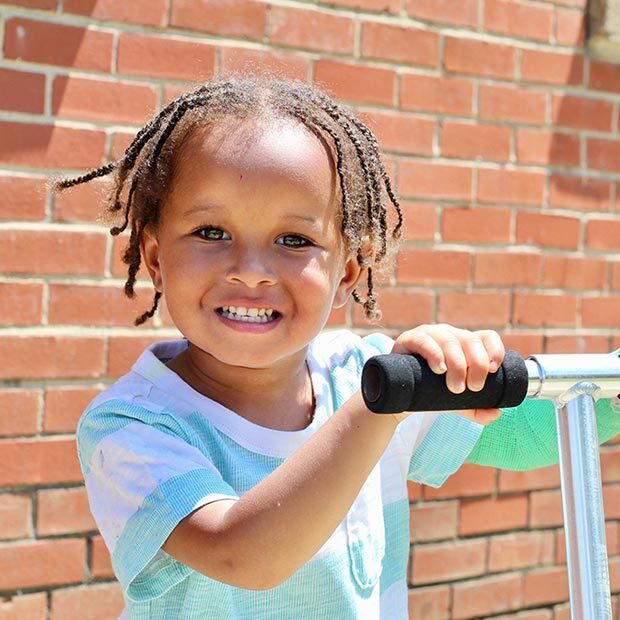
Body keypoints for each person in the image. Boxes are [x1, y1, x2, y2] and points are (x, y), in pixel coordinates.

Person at [52, 74, 620, 620]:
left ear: (347, 271)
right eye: (211, 233)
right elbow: (241, 554)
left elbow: (524, 438)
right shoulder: (131, 425)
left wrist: (598, 393)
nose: (251, 272)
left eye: (294, 240)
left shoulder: (365, 373)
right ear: (154, 259)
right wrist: (382, 405)